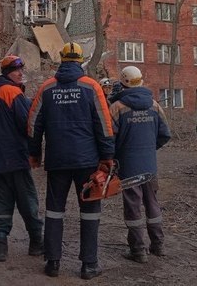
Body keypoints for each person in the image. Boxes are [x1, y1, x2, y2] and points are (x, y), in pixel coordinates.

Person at [28, 42, 115, 280]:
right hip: (87, 161)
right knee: (90, 211)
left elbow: (33, 125)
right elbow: (104, 125)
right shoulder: (92, 87)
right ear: (80, 61)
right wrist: (107, 157)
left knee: (55, 210)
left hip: (57, 161)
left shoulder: (47, 88)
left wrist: (35, 153)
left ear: (61, 60)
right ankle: (89, 265)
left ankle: (52, 262)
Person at [109, 66, 171, 263]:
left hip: (128, 166)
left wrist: (112, 157)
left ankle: (138, 250)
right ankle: (158, 245)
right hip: (149, 165)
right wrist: (149, 149)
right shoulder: (154, 105)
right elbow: (165, 134)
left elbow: (109, 138)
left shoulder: (117, 107)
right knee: (152, 203)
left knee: (133, 207)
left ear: (123, 81)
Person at [0, 56, 44, 263]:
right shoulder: (12, 93)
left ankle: (1, 245)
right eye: (15, 70)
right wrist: (35, 151)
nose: (20, 73)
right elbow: (28, 124)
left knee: (2, 202)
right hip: (15, 158)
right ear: (6, 73)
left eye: (21, 69)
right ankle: (36, 242)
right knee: (27, 200)